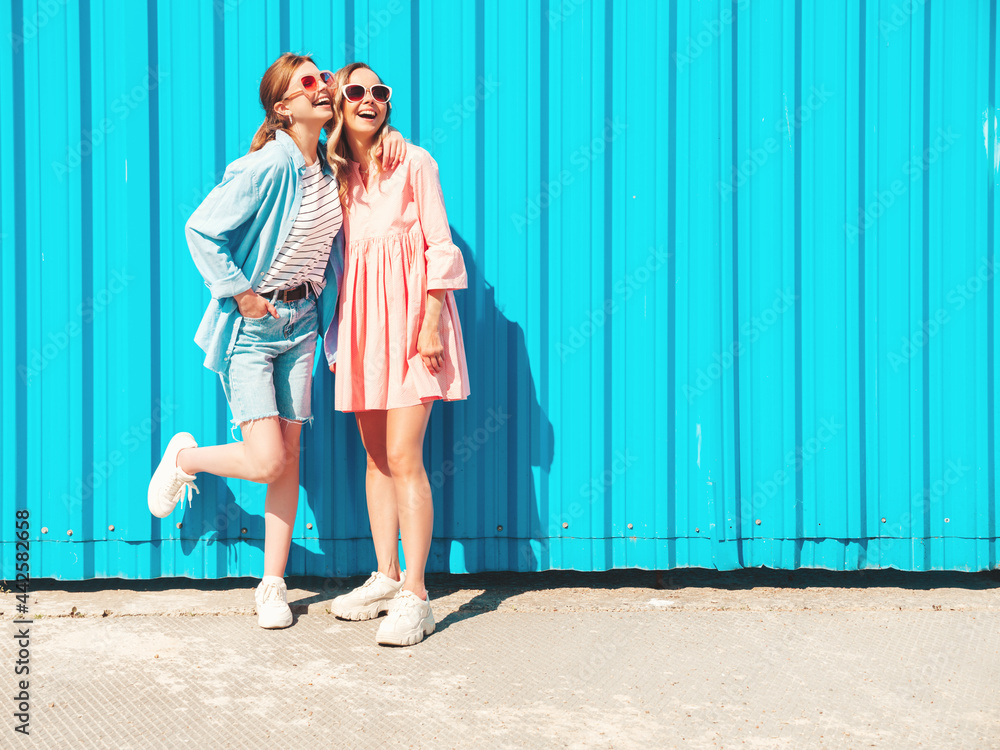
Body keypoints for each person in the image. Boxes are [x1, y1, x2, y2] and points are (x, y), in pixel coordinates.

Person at [146, 53, 406, 629]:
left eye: (325, 80)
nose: (323, 88)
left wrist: (390, 135)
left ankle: (272, 585)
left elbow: (372, 138)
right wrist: (239, 293)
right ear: (283, 107)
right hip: (255, 330)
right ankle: (184, 457)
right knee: (268, 460)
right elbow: (201, 228)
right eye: (308, 83)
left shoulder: (329, 164)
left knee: (286, 462)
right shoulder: (269, 163)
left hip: (304, 325)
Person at [325, 63, 470, 646]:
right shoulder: (334, 175)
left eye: (378, 92)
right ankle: (384, 575)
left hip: (413, 325)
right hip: (362, 327)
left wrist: (431, 322)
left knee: (405, 454)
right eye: (355, 92)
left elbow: (439, 244)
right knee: (376, 456)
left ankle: (416, 593)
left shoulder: (415, 161)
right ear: (339, 104)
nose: (368, 100)